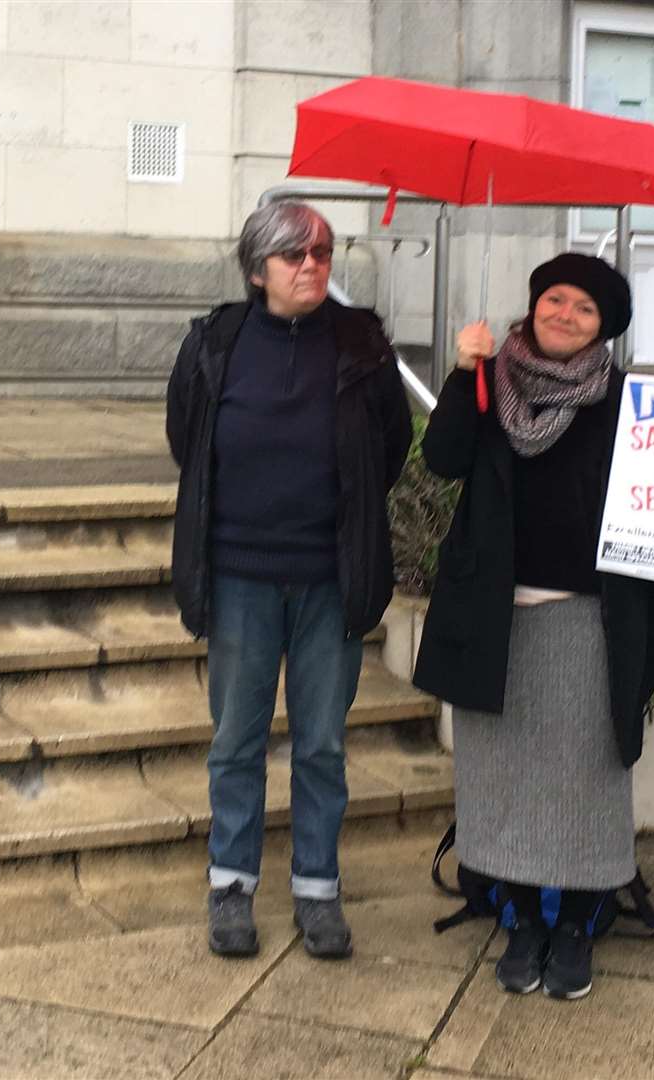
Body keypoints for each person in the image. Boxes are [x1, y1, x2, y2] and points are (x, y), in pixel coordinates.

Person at [412, 253, 654, 1000]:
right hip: (495, 616)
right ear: (533, 306)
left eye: (584, 308)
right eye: (554, 299)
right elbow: (442, 459)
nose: (564, 314)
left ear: (605, 327)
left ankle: (580, 923)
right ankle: (521, 914)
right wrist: (462, 372)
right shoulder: (488, 377)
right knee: (499, 777)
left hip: (591, 619)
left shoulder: (631, 402)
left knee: (587, 778)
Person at [166, 200, 413, 960]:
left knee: (321, 746)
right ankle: (232, 884)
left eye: (322, 254)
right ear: (257, 269)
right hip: (240, 575)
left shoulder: (361, 343)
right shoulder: (216, 343)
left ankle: (317, 890)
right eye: (293, 256)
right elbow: (188, 440)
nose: (311, 267)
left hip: (327, 582)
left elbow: (392, 447)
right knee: (237, 740)